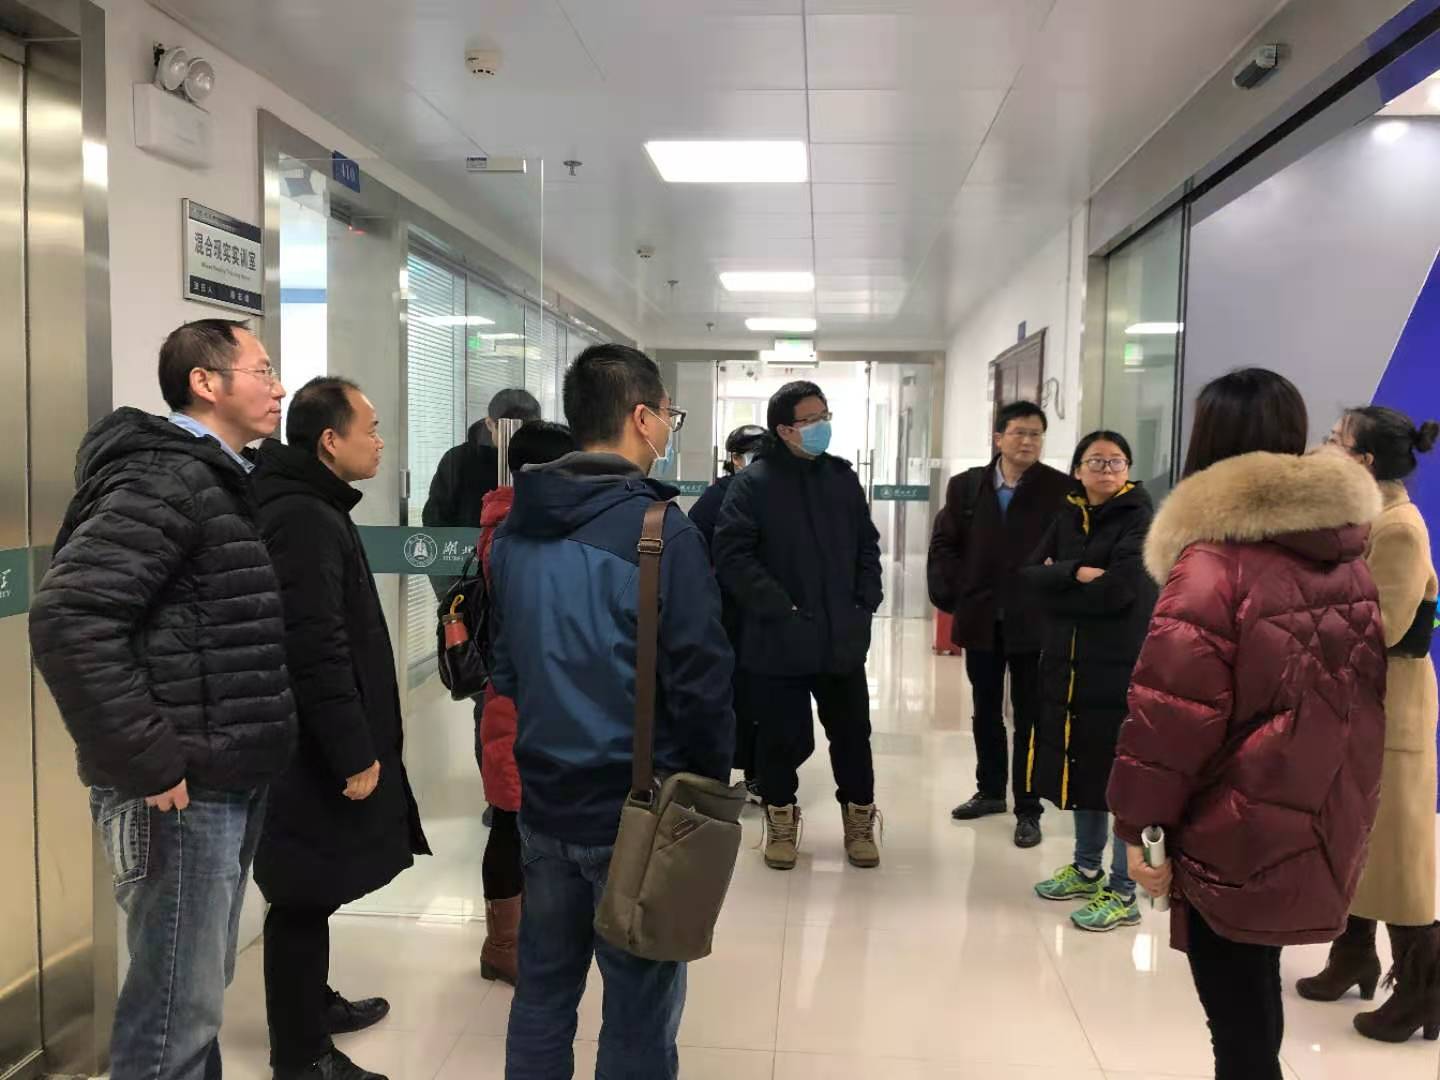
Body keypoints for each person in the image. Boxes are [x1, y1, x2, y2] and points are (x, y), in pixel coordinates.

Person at [28, 319, 297, 1080]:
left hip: (224, 772)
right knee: (174, 1015)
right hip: (181, 788)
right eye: (262, 370)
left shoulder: (216, 477)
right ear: (205, 383)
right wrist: (147, 758)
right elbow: (69, 617)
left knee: (195, 999)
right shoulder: (166, 478)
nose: (278, 387)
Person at [1108, 368, 1387, 1080]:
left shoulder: (1211, 565)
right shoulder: (1347, 556)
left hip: (1232, 821)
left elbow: (1170, 719)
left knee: (1234, 1015)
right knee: (1255, 984)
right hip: (1314, 805)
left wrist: (1138, 827)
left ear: (1207, 442)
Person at [489, 343, 734, 1080]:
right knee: (638, 1009)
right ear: (641, 417)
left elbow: (506, 670)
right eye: (668, 416)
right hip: (638, 809)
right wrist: (704, 794)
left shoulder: (517, 527)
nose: (667, 429)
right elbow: (702, 685)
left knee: (542, 990)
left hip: (543, 800)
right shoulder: (662, 531)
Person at [251, 377, 430, 1080]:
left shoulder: (313, 503)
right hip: (304, 746)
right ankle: (302, 1056)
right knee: (302, 890)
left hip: (305, 737)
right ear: (330, 440)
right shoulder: (302, 516)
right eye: (371, 428)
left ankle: (311, 1006)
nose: (380, 442)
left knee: (313, 882)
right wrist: (352, 750)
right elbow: (313, 644)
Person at [1297, 406, 1440, 1043]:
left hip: (1392, 711)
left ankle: (1422, 989)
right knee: (1353, 837)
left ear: (1365, 460)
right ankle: (1353, 954)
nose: (1323, 446)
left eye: (1336, 440)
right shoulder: (1361, 516)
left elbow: (1375, 628)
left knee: (1401, 856)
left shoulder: (1398, 528)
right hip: (1358, 705)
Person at [713, 382, 884, 872]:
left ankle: (859, 820)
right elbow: (732, 555)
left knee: (852, 735)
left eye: (825, 416)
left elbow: (867, 546)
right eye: (811, 420)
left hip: (840, 637)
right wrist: (780, 606)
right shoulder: (753, 484)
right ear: (785, 429)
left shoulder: (841, 478)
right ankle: (781, 821)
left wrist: (865, 601)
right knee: (778, 739)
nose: (821, 426)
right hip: (778, 639)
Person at [1021, 432, 1157, 933]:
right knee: (1083, 767)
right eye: (1096, 461)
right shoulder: (1067, 514)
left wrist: (1060, 578)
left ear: (1128, 470)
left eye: (1116, 461)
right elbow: (1030, 576)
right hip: (1067, 664)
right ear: (1078, 469)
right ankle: (1085, 868)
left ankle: (1123, 891)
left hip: (1117, 664)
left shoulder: (1140, 517)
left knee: (1118, 779)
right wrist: (1078, 572)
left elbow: (1120, 591)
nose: (1106, 469)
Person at [927, 400, 1074, 848]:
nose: (1027, 441)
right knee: (985, 709)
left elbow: (1072, 550)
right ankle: (990, 791)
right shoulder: (967, 486)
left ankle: (1028, 807)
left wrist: (1054, 582)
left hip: (1034, 620)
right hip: (982, 617)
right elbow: (945, 544)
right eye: (1019, 433)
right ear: (998, 438)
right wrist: (958, 592)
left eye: (1036, 434)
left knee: (1030, 714)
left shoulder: (1060, 489)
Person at [474, 419, 578, 987]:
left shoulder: (519, 522)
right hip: (517, 697)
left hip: (531, 695)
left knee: (524, 819)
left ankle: (533, 933)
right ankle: (503, 945)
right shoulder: (515, 530)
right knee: (511, 821)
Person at [689, 423, 769, 797]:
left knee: (767, 695)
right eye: (747, 454)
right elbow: (692, 545)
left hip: (769, 612)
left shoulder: (782, 495)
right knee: (726, 689)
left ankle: (761, 772)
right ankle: (717, 770)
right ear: (733, 459)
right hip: (727, 611)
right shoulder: (717, 497)